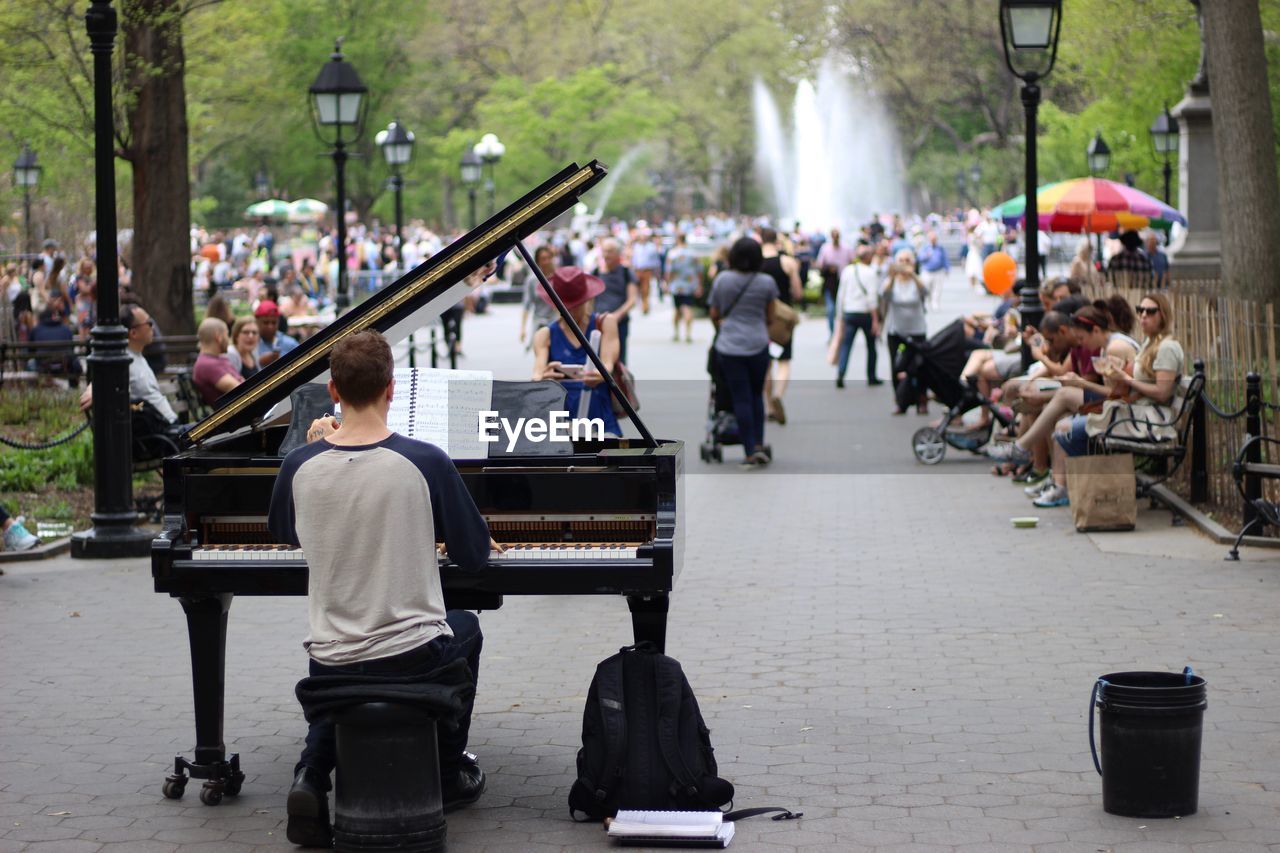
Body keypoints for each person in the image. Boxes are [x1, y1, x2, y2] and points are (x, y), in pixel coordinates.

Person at [269, 330, 495, 848]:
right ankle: (446, 771)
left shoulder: (298, 465)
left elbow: (283, 532)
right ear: (393, 390)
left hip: (328, 656)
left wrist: (313, 451)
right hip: (411, 654)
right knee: (467, 627)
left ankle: (311, 774)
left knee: (354, 657)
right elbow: (474, 555)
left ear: (332, 391)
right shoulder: (427, 460)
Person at [1032, 293, 1184, 509]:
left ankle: (1087, 486)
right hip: (1133, 412)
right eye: (1140, 310)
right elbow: (1135, 390)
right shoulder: (1151, 343)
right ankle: (1078, 485)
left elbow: (1162, 392)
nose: (1143, 316)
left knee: (1066, 428)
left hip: (1148, 421)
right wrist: (1120, 379)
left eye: (1150, 312)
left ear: (1163, 315)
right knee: (1065, 426)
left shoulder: (1167, 347)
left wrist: (1124, 378)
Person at [708, 237, 776, 468]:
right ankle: (758, 444)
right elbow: (771, 317)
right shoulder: (766, 282)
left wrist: (723, 325)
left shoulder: (722, 280)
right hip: (758, 344)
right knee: (756, 395)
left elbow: (714, 312)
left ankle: (749, 452)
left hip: (729, 347)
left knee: (740, 397)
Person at [531, 267, 622, 437]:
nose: (571, 311)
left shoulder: (605, 323)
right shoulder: (544, 335)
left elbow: (608, 363)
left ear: (587, 299)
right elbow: (536, 375)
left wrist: (600, 373)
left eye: (577, 304)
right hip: (562, 420)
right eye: (565, 306)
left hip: (599, 415)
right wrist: (545, 378)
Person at [78, 303, 179, 429]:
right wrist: (94, 390)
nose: (152, 327)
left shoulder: (138, 356)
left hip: (172, 428)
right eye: (149, 323)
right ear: (134, 333)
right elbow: (106, 375)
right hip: (166, 434)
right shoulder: (124, 360)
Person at [759, 227, 803, 425]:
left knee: (766, 363)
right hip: (782, 319)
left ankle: (768, 406)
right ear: (776, 240)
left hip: (761, 317)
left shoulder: (755, 262)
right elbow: (798, 292)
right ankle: (778, 394)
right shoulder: (787, 262)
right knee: (784, 360)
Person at [881, 249, 930, 415]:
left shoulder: (918, 280)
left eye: (907, 260)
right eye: (900, 260)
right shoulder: (891, 281)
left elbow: (926, 292)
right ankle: (900, 402)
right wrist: (894, 276)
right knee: (896, 366)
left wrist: (913, 275)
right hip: (896, 330)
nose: (904, 263)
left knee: (920, 366)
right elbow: (884, 295)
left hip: (917, 330)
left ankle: (921, 401)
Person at [828, 244, 882, 388]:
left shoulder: (848, 270)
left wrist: (839, 315)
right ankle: (871, 376)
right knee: (871, 346)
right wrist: (876, 320)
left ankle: (841, 372)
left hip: (850, 313)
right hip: (865, 314)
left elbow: (841, 295)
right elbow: (872, 298)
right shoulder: (870, 273)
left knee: (846, 345)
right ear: (868, 257)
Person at [592, 239, 639, 365]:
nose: (606, 255)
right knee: (596, 360)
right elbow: (589, 299)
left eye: (610, 251)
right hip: (597, 323)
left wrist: (617, 316)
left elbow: (632, 299)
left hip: (619, 323)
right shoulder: (596, 272)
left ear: (619, 254)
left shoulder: (626, 272)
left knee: (618, 361)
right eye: (604, 251)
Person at [192, 318, 244, 405]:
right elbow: (240, 390)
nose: (229, 339)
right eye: (227, 335)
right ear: (218, 337)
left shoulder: (215, 360)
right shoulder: (207, 365)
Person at [815, 228, 857, 335]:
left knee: (844, 308)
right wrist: (829, 268)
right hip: (830, 283)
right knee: (831, 309)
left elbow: (853, 262)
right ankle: (833, 333)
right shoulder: (825, 248)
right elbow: (819, 264)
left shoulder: (847, 248)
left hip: (844, 282)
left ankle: (843, 332)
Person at [664, 232, 702, 344]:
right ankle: (688, 333)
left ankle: (676, 333)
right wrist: (699, 284)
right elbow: (699, 270)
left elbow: (669, 271)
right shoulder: (693, 253)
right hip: (690, 285)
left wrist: (667, 284)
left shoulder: (672, 253)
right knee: (688, 308)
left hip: (676, 285)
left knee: (676, 309)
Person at [519, 245, 559, 348]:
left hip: (556, 323)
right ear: (537, 261)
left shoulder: (559, 277)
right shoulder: (532, 280)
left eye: (548, 258)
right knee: (541, 354)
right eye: (542, 259)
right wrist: (523, 329)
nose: (546, 262)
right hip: (539, 323)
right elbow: (526, 305)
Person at [254, 300, 299, 367]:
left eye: (274, 322)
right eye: (266, 323)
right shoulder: (250, 343)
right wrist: (258, 362)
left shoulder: (290, 344)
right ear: (257, 322)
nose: (270, 327)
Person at [917, 231, 950, 310]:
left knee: (937, 288)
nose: (933, 240)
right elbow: (920, 258)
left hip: (938, 271)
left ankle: (935, 303)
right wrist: (926, 256)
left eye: (934, 239)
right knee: (926, 288)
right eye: (931, 239)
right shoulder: (925, 248)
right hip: (927, 271)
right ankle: (927, 301)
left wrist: (947, 269)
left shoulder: (940, 248)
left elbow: (945, 259)